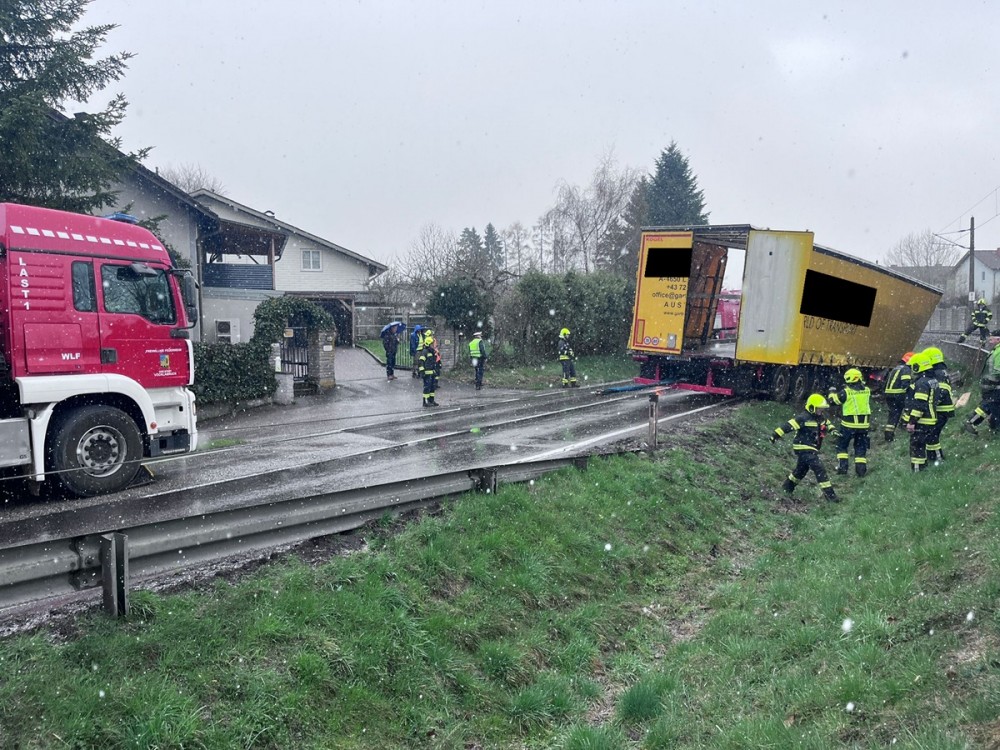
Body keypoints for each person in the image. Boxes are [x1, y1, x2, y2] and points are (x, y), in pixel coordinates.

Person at [769, 393, 838, 502]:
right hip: (803, 447)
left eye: (822, 409)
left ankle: (787, 488)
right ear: (811, 408)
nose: (821, 412)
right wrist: (775, 435)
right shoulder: (803, 418)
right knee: (819, 468)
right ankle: (831, 497)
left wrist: (833, 430)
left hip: (811, 448)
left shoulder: (820, 418)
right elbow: (788, 426)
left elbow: (827, 424)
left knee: (801, 471)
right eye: (819, 409)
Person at [827, 368, 871, 477]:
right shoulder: (867, 391)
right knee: (860, 447)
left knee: (842, 446)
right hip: (864, 426)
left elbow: (833, 401)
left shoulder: (846, 392)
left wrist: (832, 391)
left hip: (848, 425)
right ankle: (861, 471)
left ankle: (843, 468)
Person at [902, 351, 939, 472]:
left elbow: (919, 405)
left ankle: (918, 471)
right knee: (925, 444)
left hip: (923, 420)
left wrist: (912, 421)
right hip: (932, 419)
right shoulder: (932, 380)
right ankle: (926, 467)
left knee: (917, 446)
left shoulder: (921, 383)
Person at [922, 346, 954, 465]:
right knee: (932, 434)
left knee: (932, 435)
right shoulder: (942, 371)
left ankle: (938, 459)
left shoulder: (937, 373)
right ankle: (933, 458)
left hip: (939, 410)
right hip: (943, 410)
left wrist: (930, 403)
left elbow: (940, 391)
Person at [962, 337, 1000, 435]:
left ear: (998, 340)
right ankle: (994, 428)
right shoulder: (997, 351)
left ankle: (973, 422)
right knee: (993, 406)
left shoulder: (996, 351)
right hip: (994, 385)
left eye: (992, 340)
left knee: (989, 405)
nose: (989, 342)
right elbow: (997, 370)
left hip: (989, 384)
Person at [882, 352, 914, 442]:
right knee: (910, 408)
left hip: (889, 395)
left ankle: (888, 435)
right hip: (899, 394)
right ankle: (903, 424)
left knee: (893, 414)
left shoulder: (895, 368)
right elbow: (905, 384)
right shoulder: (906, 369)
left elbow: (885, 382)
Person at [418, 333, 442, 407]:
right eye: (432, 344)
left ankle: (431, 400)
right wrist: (422, 372)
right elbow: (421, 362)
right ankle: (425, 402)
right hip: (427, 373)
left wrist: (438, 365)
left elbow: (435, 362)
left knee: (432, 387)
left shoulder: (432, 352)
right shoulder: (425, 352)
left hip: (432, 373)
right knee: (427, 387)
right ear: (428, 344)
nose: (433, 345)